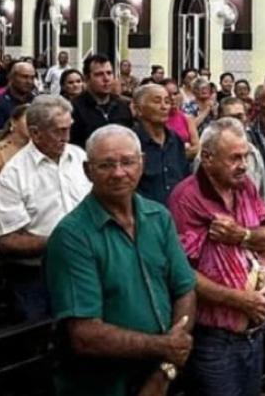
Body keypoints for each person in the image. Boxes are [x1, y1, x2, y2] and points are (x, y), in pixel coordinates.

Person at [46, 125, 196, 396]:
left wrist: (165, 369)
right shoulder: (72, 235)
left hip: (161, 375)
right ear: (87, 170)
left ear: (142, 164)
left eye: (127, 162)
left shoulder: (158, 217)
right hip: (103, 385)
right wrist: (166, 347)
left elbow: (184, 289)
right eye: (106, 165)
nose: (118, 173)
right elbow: (85, 335)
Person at [168, 118, 265, 396]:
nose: (243, 165)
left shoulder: (245, 186)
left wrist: (243, 235)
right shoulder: (187, 198)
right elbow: (183, 273)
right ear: (207, 158)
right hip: (215, 339)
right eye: (234, 158)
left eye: (245, 156)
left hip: (254, 332)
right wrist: (241, 300)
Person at [0, 95, 90, 324]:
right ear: (35, 133)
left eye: (69, 128)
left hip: (86, 266)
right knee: (42, 335)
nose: (67, 137)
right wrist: (63, 240)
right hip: (37, 275)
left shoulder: (80, 157)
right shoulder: (13, 175)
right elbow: (8, 240)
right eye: (59, 131)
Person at [133, 84, 191, 205]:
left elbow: (185, 178)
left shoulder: (176, 140)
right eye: (157, 101)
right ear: (138, 109)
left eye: (167, 102)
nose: (164, 107)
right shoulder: (131, 142)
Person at [70, 55, 135, 148]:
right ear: (87, 78)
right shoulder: (74, 108)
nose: (106, 79)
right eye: (99, 74)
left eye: (109, 73)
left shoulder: (122, 106)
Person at [0, 61, 37, 132]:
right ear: (12, 77)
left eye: (32, 78)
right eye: (24, 77)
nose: (29, 82)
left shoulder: (36, 102)